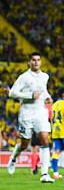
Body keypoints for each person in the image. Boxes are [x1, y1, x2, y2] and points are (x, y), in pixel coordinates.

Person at [7, 53, 55, 183]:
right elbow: (12, 93)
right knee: (24, 144)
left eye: (38, 60)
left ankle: (44, 174)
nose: (36, 62)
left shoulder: (45, 76)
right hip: (26, 114)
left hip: (40, 112)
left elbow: (43, 90)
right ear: (29, 62)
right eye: (33, 60)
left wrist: (47, 97)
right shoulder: (24, 77)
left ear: (41, 62)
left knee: (45, 139)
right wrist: (29, 95)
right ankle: (13, 158)